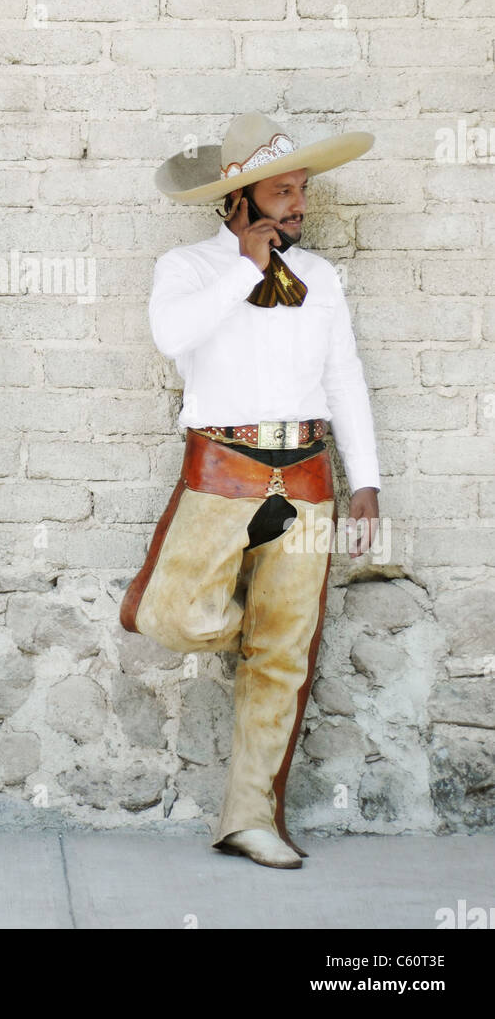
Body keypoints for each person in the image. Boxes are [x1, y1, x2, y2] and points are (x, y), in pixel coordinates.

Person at [121, 112, 381, 869]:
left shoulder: (323, 278)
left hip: (308, 474)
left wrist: (365, 481)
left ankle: (249, 817)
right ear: (238, 200)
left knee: (286, 657)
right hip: (221, 473)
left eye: (302, 189)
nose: (298, 204)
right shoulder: (188, 267)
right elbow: (173, 339)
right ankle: (250, 638)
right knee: (169, 613)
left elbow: (345, 378)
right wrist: (245, 263)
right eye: (282, 191)